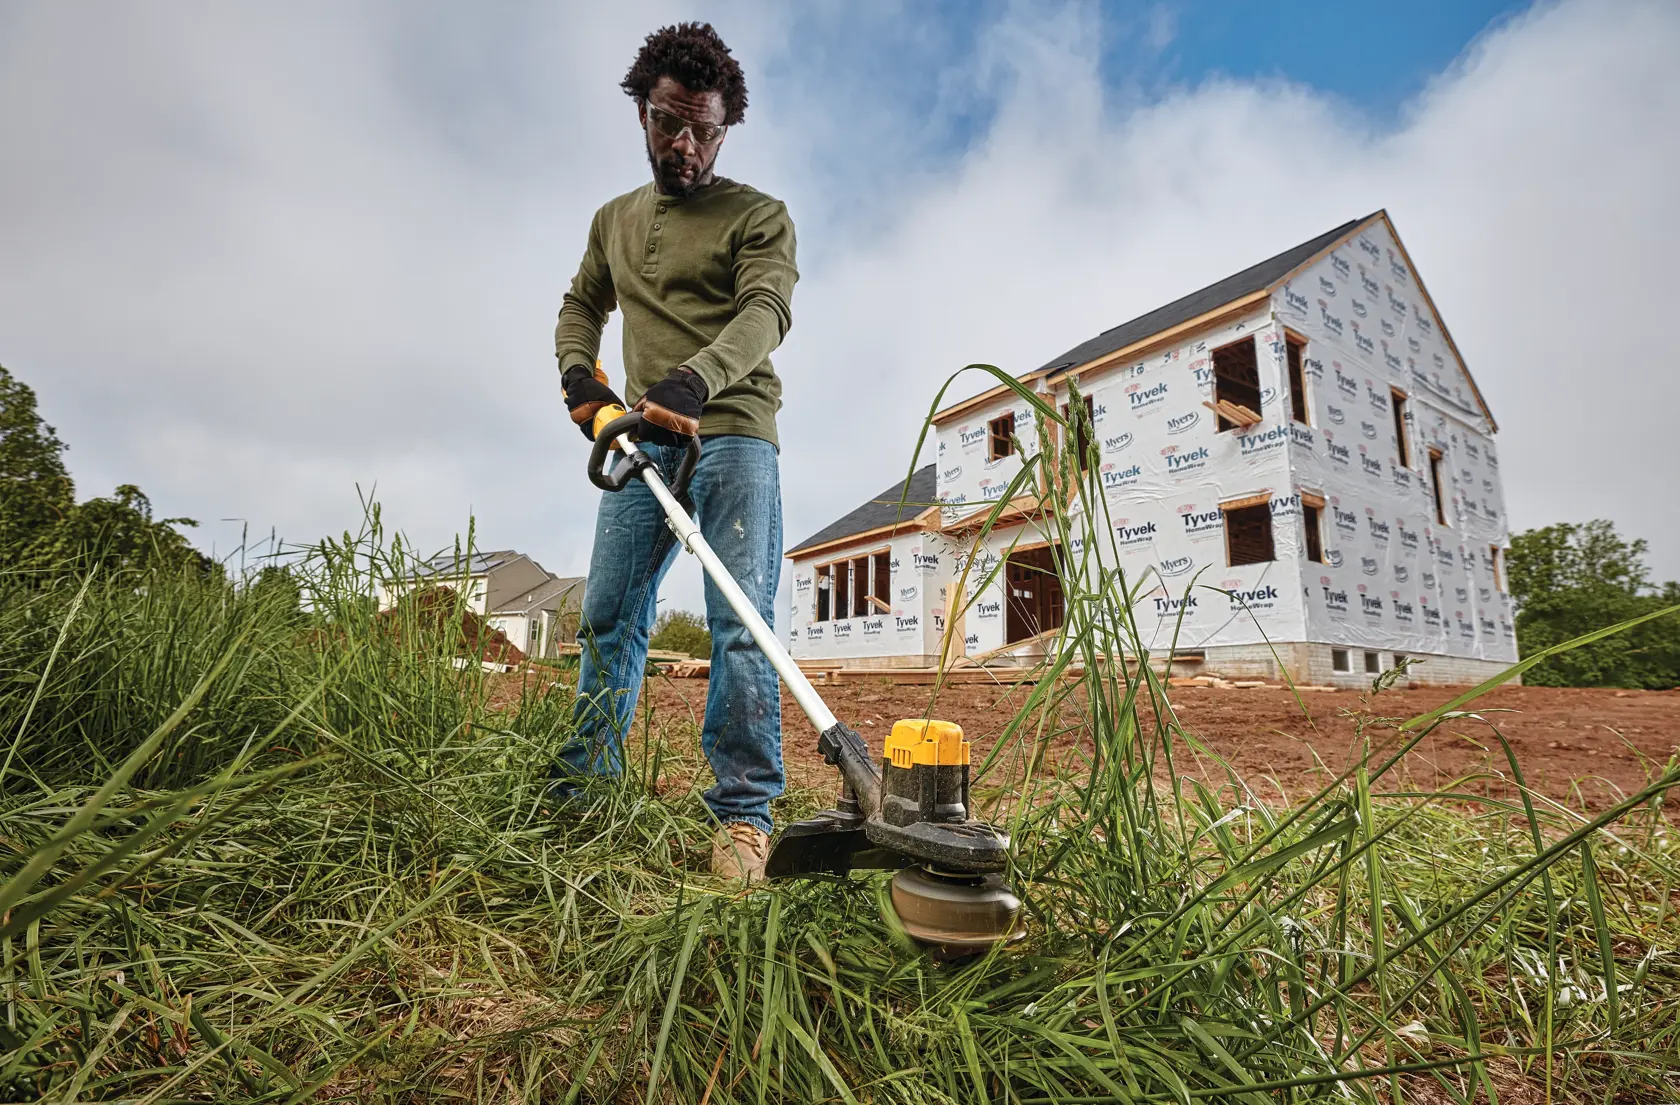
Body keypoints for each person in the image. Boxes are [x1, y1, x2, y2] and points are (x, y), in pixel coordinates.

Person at [551, 23, 797, 883]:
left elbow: (766, 310)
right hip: (643, 443)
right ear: (643, 112)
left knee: (739, 624)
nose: (684, 145)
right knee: (609, 616)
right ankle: (586, 790)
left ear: (726, 127)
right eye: (667, 123)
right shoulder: (614, 221)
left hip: (731, 432)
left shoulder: (758, 217)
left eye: (704, 129)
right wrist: (581, 377)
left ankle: (742, 816)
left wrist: (699, 378)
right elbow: (581, 305)